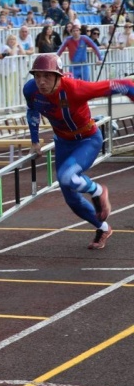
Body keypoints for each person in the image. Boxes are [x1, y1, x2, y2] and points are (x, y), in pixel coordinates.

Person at [24, 53, 134, 250]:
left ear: (59, 76)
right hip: (63, 143)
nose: (41, 81)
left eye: (47, 76)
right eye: (37, 76)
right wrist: (34, 141)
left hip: (87, 140)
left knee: (66, 176)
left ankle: (98, 191)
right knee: (71, 198)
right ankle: (103, 227)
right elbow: (31, 111)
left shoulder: (76, 89)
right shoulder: (30, 90)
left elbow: (126, 85)